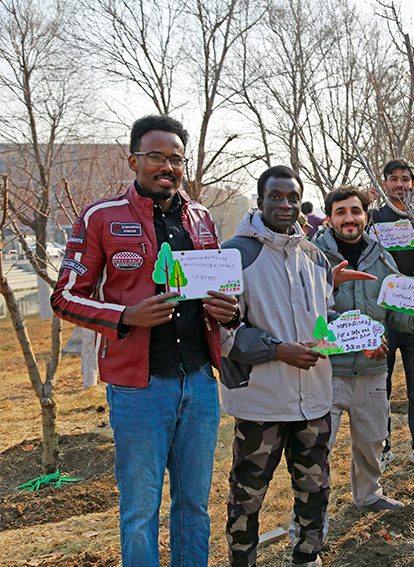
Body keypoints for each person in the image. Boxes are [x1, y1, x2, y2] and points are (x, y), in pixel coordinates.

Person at [51, 115, 239, 567]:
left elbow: (222, 290)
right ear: (133, 159)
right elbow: (64, 296)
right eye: (156, 157)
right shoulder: (102, 217)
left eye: (175, 158)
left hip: (198, 383)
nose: (167, 166)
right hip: (138, 389)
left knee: (194, 506)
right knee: (140, 511)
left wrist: (228, 310)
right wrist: (125, 316)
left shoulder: (202, 218)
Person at [220, 166, 360, 567]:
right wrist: (279, 350)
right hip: (260, 402)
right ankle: (242, 560)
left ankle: (307, 557)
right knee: (247, 494)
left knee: (314, 489)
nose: (285, 205)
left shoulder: (316, 256)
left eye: (292, 198)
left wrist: (357, 335)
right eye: (276, 197)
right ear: (259, 200)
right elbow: (223, 330)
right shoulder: (234, 254)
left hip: (314, 399)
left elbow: (325, 317)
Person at [314, 186, 414, 510]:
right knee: (316, 451)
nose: (349, 218)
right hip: (327, 373)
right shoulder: (312, 257)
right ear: (330, 218)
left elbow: (393, 310)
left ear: (365, 215)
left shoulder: (382, 256)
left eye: (355, 211)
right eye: (341, 212)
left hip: (373, 371)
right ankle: (312, 516)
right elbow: (301, 309)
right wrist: (328, 287)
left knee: (371, 441)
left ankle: (369, 496)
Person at [370, 159, 414, 473]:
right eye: (393, 179)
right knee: (379, 388)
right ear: (385, 183)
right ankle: (383, 447)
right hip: (381, 319)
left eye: (405, 179)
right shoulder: (372, 220)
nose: (399, 184)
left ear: (413, 184)